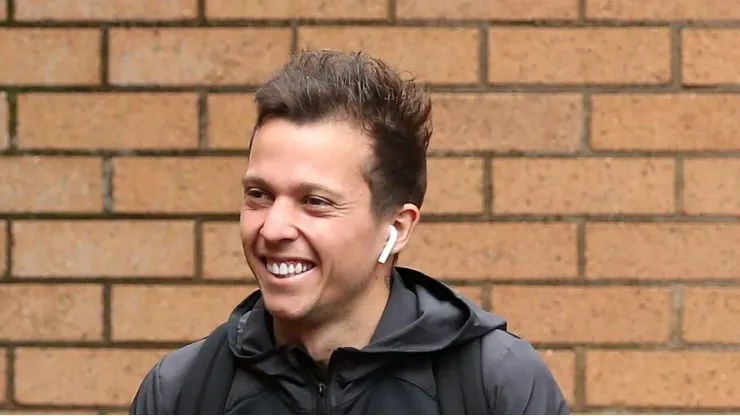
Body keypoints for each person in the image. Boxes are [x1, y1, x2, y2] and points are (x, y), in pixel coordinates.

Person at [129, 49, 569, 415]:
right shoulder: (182, 391)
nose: (274, 227)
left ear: (396, 228)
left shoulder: (492, 383)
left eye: (315, 202)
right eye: (259, 195)